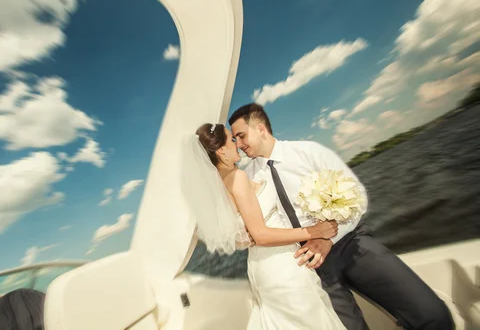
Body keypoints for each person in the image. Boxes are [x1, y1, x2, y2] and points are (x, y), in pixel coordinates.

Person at [228, 102, 454, 330]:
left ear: (261, 129)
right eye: (234, 139)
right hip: (305, 263)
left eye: (241, 136)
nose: (238, 145)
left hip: (349, 244)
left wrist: (327, 239)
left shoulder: (309, 152)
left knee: (430, 313)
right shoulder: (246, 177)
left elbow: (358, 195)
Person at [182, 123, 346, 329]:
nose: (237, 145)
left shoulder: (221, 185)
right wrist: (315, 231)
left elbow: (243, 236)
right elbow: (260, 235)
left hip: (263, 266)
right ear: (221, 150)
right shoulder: (238, 178)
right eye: (232, 140)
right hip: (280, 265)